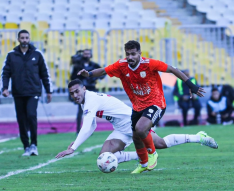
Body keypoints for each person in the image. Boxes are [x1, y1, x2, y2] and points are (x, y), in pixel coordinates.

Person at [77, 40, 205, 173]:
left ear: (140, 53)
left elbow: (172, 69)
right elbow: (103, 71)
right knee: (136, 136)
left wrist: (191, 85)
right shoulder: (121, 65)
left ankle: (152, 154)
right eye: (128, 54)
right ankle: (143, 164)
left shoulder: (149, 64)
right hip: (138, 106)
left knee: (141, 128)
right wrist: (90, 74)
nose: (130, 57)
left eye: (133, 54)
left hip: (156, 103)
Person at [55, 80, 217, 165]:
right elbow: (91, 126)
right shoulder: (86, 101)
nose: (75, 95)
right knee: (104, 157)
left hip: (132, 123)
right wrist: (74, 144)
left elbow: (86, 125)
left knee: (160, 143)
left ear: (83, 89)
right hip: (119, 128)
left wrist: (73, 147)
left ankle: (198, 137)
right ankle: (141, 156)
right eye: (72, 93)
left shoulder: (91, 100)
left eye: (77, 91)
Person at [1, 30, 53, 156]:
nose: (24, 40)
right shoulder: (11, 55)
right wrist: (5, 88)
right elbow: (5, 73)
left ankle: (34, 144)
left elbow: (44, 73)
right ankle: (26, 146)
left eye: (26, 37)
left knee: (31, 115)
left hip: (33, 91)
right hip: (18, 92)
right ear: (18, 39)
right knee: (21, 119)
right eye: (22, 38)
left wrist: (48, 91)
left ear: (29, 39)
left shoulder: (37, 54)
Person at [70, 49, 106, 134]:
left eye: (88, 54)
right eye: (85, 54)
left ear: (91, 55)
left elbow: (103, 72)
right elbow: (72, 77)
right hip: (81, 90)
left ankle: (91, 129)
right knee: (80, 110)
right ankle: (78, 130)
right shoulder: (78, 65)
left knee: (91, 110)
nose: (86, 55)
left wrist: (95, 78)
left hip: (92, 88)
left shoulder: (94, 65)